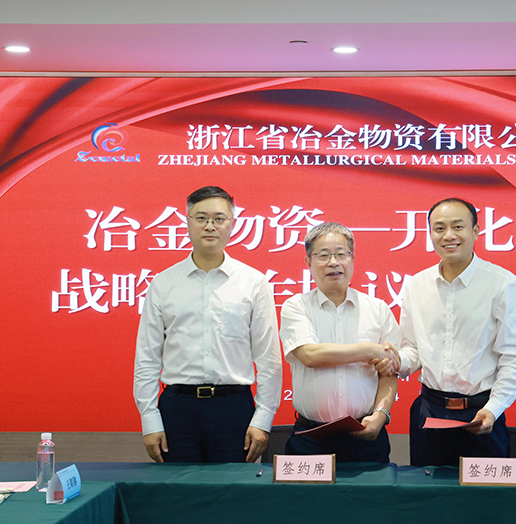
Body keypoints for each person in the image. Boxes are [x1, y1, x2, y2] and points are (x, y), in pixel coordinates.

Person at [133, 186, 282, 463]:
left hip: (234, 408)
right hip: (178, 409)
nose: (210, 226)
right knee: (178, 487)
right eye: (201, 218)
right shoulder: (164, 283)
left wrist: (263, 419)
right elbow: (147, 358)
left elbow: (268, 358)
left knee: (233, 487)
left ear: (232, 224)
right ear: (188, 221)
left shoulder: (253, 282)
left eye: (219, 219)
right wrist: (150, 420)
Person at [396, 198, 516, 467]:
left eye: (458, 226)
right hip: (430, 411)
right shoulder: (417, 285)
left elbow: (514, 359)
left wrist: (493, 409)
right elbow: (413, 348)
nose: (448, 235)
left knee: (483, 493)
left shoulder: (501, 283)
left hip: (481, 414)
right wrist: (395, 361)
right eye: (439, 228)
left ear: (475, 231)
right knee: (426, 491)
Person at [279, 222, 400, 462]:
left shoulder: (377, 309)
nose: (333, 262)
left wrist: (380, 415)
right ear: (308, 262)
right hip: (310, 438)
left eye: (341, 254)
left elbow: (390, 371)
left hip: (366, 436)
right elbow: (311, 356)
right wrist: (370, 350)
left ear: (352, 258)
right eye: (323, 255)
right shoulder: (296, 306)